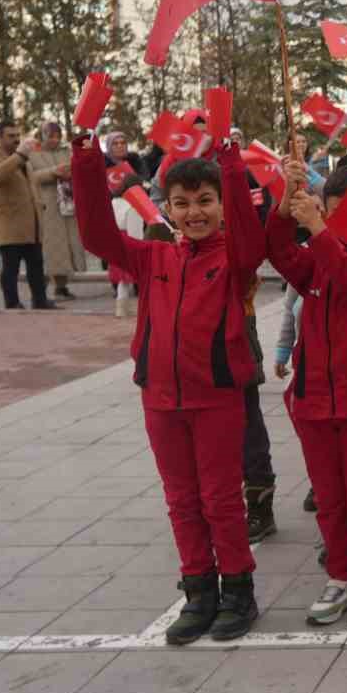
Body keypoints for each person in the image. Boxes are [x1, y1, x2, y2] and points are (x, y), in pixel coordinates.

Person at [69, 130, 264, 643]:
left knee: (221, 498)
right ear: (169, 209)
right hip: (160, 399)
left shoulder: (236, 258)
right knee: (181, 499)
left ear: (221, 206)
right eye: (182, 204)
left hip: (217, 398)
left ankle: (239, 592)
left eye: (204, 201)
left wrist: (228, 159)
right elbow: (94, 233)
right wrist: (86, 157)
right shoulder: (154, 258)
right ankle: (199, 593)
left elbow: (249, 232)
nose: (194, 212)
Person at [266, 158, 347, 628]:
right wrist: (286, 204)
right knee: (329, 501)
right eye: (331, 212)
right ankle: (340, 574)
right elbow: (278, 251)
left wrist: (320, 231)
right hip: (312, 402)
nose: (337, 224)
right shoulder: (316, 264)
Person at [0, 122, 59, 312]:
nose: (16, 139)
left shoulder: (23, 160)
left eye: (18, 135)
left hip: (31, 224)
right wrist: (20, 155)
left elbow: (33, 180)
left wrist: (53, 173)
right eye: (10, 136)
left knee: (36, 267)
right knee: (11, 269)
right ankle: (12, 303)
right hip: (8, 226)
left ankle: (40, 301)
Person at [25, 121, 85, 299]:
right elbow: (32, 177)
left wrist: (71, 171)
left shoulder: (66, 152)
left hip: (68, 204)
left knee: (68, 245)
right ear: (42, 135)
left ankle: (62, 285)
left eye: (58, 136)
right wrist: (53, 172)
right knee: (52, 247)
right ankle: (45, 285)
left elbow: (78, 169)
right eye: (51, 136)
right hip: (47, 206)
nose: (55, 140)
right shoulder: (32, 155)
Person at [108, 175, 149, 318]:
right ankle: (141, 308)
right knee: (135, 276)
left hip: (115, 241)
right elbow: (135, 232)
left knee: (122, 278)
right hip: (129, 241)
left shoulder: (114, 201)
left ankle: (121, 307)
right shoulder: (134, 206)